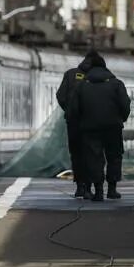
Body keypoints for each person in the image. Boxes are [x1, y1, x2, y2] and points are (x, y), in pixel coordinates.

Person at [66, 51, 131, 201]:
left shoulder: (81, 86)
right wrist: (121, 119)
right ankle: (112, 189)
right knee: (114, 156)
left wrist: (79, 123)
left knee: (94, 158)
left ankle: (99, 191)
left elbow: (74, 109)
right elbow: (125, 105)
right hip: (113, 127)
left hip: (90, 129)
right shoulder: (116, 84)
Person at [56, 54, 96, 199]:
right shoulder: (101, 77)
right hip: (94, 124)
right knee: (92, 154)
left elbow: (60, 95)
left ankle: (80, 185)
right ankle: (90, 186)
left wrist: (69, 110)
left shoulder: (70, 74)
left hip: (74, 123)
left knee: (77, 154)